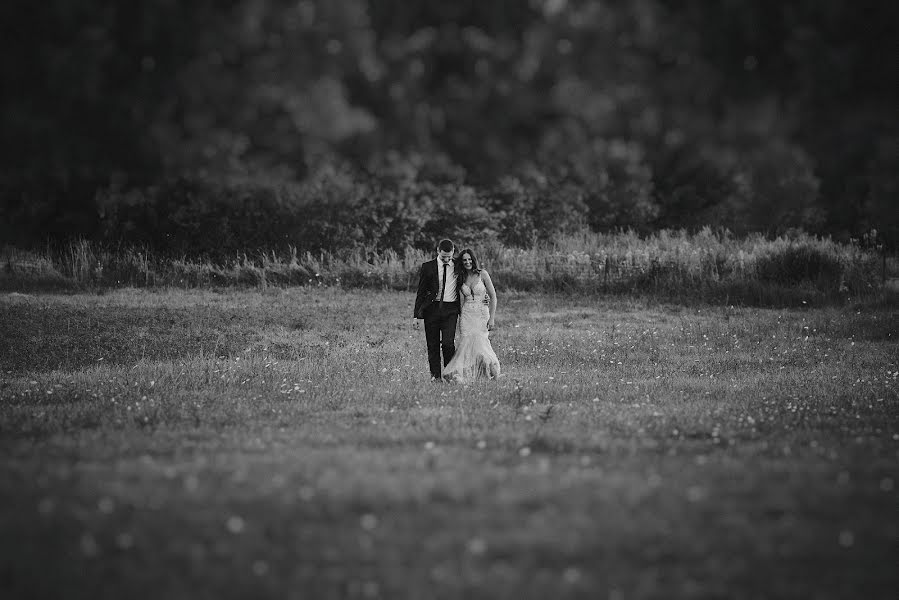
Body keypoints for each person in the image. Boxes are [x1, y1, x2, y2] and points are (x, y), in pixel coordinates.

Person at [442, 248, 500, 383]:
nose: (467, 262)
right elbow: (460, 300)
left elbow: (493, 296)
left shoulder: (483, 274)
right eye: (464, 260)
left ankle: (491, 372)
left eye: (469, 259)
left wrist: (492, 318)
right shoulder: (460, 277)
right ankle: (466, 375)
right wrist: (459, 318)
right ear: (461, 262)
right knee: (465, 346)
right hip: (467, 315)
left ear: (473, 260)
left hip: (481, 314)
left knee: (482, 344)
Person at [413, 239, 460, 381]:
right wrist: (416, 316)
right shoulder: (427, 267)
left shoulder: (458, 265)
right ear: (438, 251)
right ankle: (436, 377)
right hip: (432, 310)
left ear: (453, 252)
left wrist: (484, 294)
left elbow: (472, 278)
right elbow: (421, 292)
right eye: (443, 256)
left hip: (450, 309)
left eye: (449, 256)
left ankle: (449, 374)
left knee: (448, 343)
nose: (446, 259)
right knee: (432, 345)